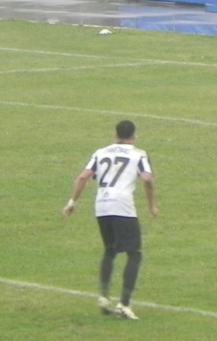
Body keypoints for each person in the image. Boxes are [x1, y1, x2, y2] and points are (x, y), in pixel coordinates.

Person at [61, 119, 158, 320]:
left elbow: (83, 177)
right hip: (123, 206)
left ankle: (104, 296)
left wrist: (71, 203)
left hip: (102, 206)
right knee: (134, 253)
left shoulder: (101, 152)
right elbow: (147, 179)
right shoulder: (138, 154)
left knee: (110, 250)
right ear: (134, 137)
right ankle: (124, 303)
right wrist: (151, 205)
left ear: (115, 136)